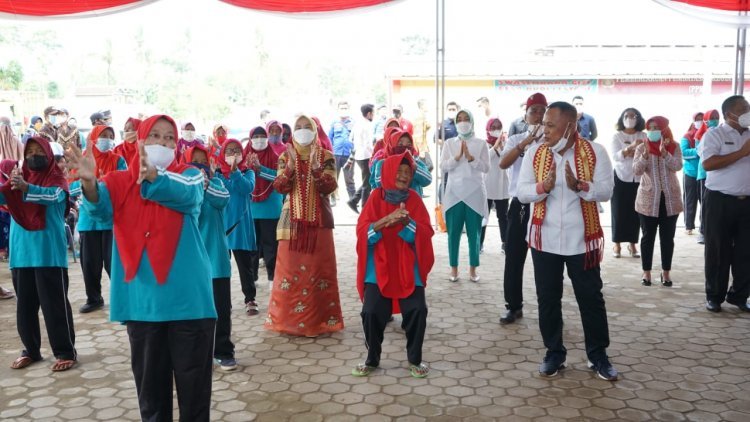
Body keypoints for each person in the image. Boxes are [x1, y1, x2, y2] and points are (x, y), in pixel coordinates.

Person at [67, 114, 217, 421]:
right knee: (152, 397)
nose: (163, 143)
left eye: (170, 138)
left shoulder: (188, 174)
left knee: (195, 394)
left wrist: (154, 177)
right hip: (143, 304)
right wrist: (89, 182)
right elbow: (100, 209)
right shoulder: (121, 181)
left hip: (190, 301)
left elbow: (190, 195)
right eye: (155, 136)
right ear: (140, 140)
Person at [517, 101, 617, 381]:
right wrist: (543, 188)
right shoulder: (535, 153)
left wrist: (581, 186)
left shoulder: (595, 152)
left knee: (591, 299)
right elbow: (523, 192)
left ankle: (598, 355)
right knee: (548, 299)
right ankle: (554, 353)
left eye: (550, 124)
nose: (543, 129)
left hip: (582, 242)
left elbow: (607, 190)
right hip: (544, 239)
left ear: (570, 126)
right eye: (544, 124)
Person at [353, 152, 434, 378]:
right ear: (388, 172)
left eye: (408, 172)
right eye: (399, 171)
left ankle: (415, 359)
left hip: (407, 265)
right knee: (370, 312)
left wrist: (407, 222)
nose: (403, 176)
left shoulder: (414, 200)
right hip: (378, 264)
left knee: (418, 309)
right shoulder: (375, 198)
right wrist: (384, 222)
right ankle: (372, 358)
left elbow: (427, 231)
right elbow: (362, 230)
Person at [1, 136, 76, 372]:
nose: (34, 155)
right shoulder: (18, 177)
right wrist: (13, 185)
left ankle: (65, 351)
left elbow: (53, 197)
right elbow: (4, 197)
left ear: (49, 154)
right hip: (21, 254)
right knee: (25, 307)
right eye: (30, 151)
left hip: (48, 252)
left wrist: (27, 188)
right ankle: (30, 351)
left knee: (54, 306)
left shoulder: (57, 179)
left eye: (38, 150)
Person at [265, 115, 344, 337]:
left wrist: (317, 170)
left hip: (319, 224)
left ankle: (319, 322)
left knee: (319, 272)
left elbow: (329, 187)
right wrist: (290, 167)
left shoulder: (326, 156)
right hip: (291, 224)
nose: (302, 130)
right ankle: (287, 321)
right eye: (298, 127)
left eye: (306, 127)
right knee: (288, 272)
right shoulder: (284, 156)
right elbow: (279, 187)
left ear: (315, 130)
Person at [184, 143, 237, 371]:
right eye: (194, 161)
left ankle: (223, 351)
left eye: (203, 161)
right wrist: (193, 186)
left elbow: (223, 199)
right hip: (191, 263)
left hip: (216, 260)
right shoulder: (182, 187)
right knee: (194, 311)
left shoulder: (216, 184)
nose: (199, 165)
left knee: (221, 310)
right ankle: (197, 353)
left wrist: (206, 184)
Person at [498, 92, 547, 324]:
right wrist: (527, 142)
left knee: (546, 260)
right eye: (533, 110)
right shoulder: (516, 139)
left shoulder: (553, 139)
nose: (538, 114)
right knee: (514, 257)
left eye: (542, 110)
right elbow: (503, 163)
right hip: (520, 205)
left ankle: (549, 308)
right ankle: (513, 306)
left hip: (546, 205)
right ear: (525, 115)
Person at [702, 95, 750, 313]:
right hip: (720, 201)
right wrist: (742, 152)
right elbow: (709, 164)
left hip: (747, 203)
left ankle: (740, 296)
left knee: (745, 251)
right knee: (718, 250)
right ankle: (714, 296)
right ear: (729, 113)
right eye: (743, 108)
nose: (747, 111)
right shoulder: (715, 135)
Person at [71, 125, 127, 313]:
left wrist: (101, 185)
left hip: (112, 219)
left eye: (111, 136)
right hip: (88, 221)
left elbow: (123, 183)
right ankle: (94, 298)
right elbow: (71, 186)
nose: (108, 139)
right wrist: (90, 183)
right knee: (90, 264)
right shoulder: (84, 159)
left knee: (114, 264)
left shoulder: (118, 160)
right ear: (94, 137)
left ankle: (123, 299)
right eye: (103, 135)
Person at [440, 109, 489, 283]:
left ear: (472, 120)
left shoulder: (481, 143)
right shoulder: (449, 143)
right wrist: (457, 157)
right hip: (454, 193)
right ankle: (454, 269)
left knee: (474, 234)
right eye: (459, 119)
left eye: (466, 118)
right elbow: (443, 166)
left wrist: (470, 158)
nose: (462, 122)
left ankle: (473, 269)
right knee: (453, 233)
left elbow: (486, 168)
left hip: (474, 193)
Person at [633, 116, 683, 287]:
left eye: (657, 127)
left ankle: (666, 272)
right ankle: (646, 272)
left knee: (667, 238)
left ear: (664, 129)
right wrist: (645, 156)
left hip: (670, 200)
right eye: (650, 128)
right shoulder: (641, 147)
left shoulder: (674, 146)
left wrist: (665, 154)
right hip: (648, 200)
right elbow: (636, 171)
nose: (653, 131)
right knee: (648, 237)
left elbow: (677, 166)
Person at [216, 138, 258, 316]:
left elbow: (246, 188)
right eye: (229, 150)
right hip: (221, 228)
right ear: (223, 153)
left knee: (245, 266)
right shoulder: (217, 174)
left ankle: (250, 299)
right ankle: (223, 302)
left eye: (236, 150)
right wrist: (229, 175)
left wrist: (235, 173)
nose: (233, 154)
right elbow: (223, 190)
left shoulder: (248, 172)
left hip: (240, 227)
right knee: (220, 267)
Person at [245, 127, 282, 289]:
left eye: (262, 136)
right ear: (250, 138)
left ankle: (272, 277)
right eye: (256, 136)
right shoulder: (244, 156)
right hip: (250, 209)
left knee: (271, 245)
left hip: (270, 208)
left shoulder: (275, 156)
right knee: (252, 245)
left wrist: (260, 169)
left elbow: (279, 178)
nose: (259, 140)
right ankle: (251, 278)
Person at [610, 108, 645, 259]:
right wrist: (631, 148)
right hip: (620, 176)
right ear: (621, 118)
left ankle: (632, 244)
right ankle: (616, 243)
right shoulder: (617, 136)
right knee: (618, 211)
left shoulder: (643, 135)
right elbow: (616, 156)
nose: (630, 118)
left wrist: (628, 153)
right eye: (626, 116)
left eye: (633, 116)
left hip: (638, 178)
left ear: (638, 119)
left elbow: (644, 154)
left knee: (635, 212)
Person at [370, 129, 432, 197]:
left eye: (409, 144)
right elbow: (379, 183)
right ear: (391, 145)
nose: (405, 148)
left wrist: (415, 168)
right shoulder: (382, 163)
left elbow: (428, 180)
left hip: (413, 204)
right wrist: (394, 164)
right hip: (390, 205)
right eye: (400, 144)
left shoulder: (415, 162)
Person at [480, 118, 510, 254]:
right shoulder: (484, 144)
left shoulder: (507, 143)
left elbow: (508, 160)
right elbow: (485, 159)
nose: (496, 130)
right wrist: (495, 147)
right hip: (487, 185)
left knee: (503, 216)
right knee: (484, 216)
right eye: (494, 127)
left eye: (499, 127)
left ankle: (505, 242)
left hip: (502, 186)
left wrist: (503, 147)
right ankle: (479, 243)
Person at [694, 109, 720, 245]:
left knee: (716, 204)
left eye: (717, 117)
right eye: (712, 117)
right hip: (704, 173)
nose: (715, 120)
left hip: (718, 174)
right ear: (706, 120)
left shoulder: (721, 133)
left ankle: (713, 230)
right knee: (705, 204)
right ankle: (703, 232)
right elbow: (701, 153)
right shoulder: (701, 135)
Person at [347, 103, 375, 213]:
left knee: (367, 181)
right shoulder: (368, 125)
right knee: (367, 184)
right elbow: (368, 144)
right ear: (369, 114)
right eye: (373, 113)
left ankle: (354, 201)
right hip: (366, 156)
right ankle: (364, 208)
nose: (374, 115)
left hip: (358, 155)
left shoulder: (357, 124)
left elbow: (351, 139)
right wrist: (374, 154)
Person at [680, 113, 705, 236]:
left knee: (704, 200)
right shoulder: (687, 136)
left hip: (705, 173)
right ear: (693, 121)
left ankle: (704, 226)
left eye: (702, 119)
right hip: (690, 172)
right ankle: (688, 226)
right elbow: (683, 153)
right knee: (690, 200)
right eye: (698, 119)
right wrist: (698, 150)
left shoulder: (708, 134)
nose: (700, 121)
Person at [329, 101, 355, 207]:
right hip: (336, 154)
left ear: (348, 109)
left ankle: (353, 199)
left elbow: (357, 138)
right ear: (338, 110)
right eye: (341, 108)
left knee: (349, 178)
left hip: (349, 155)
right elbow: (329, 138)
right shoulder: (334, 123)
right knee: (333, 178)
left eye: (345, 108)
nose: (343, 110)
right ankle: (332, 198)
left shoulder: (353, 123)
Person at [412, 99, 433, 172]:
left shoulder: (423, 115)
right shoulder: (420, 116)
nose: (428, 107)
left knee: (426, 167)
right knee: (428, 166)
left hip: (423, 147)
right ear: (422, 106)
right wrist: (421, 151)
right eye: (426, 105)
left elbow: (426, 127)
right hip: (421, 148)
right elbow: (418, 135)